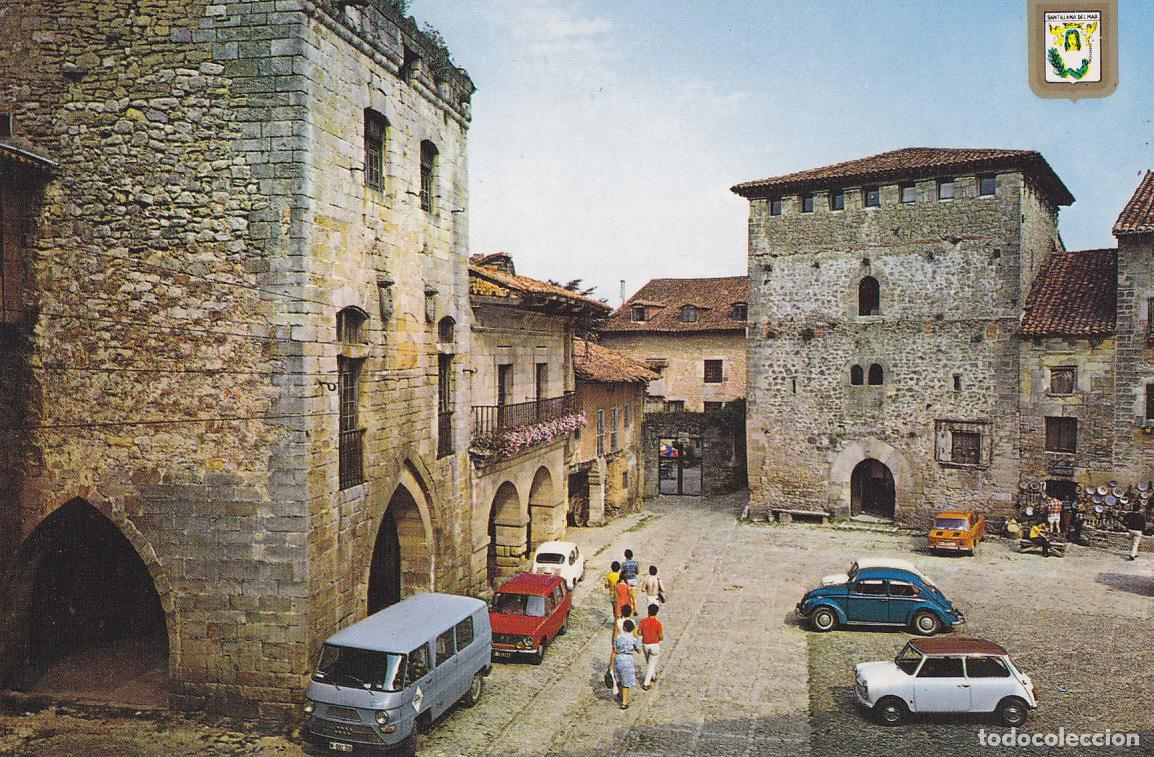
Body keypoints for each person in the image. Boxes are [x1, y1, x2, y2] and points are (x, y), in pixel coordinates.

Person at [610, 619, 642, 709]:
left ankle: (620, 695)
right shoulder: (633, 639)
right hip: (628, 660)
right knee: (626, 682)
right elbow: (639, 650)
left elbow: (614, 650)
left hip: (619, 659)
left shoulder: (619, 637)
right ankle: (624, 702)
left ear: (624, 628)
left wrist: (610, 664)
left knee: (620, 679)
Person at [638, 604, 664, 690]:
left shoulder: (643, 621)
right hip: (654, 645)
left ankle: (653, 676)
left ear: (648, 611)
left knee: (649, 662)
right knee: (651, 663)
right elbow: (661, 637)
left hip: (645, 644)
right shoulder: (658, 623)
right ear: (656, 612)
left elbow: (639, 632)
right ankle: (646, 683)